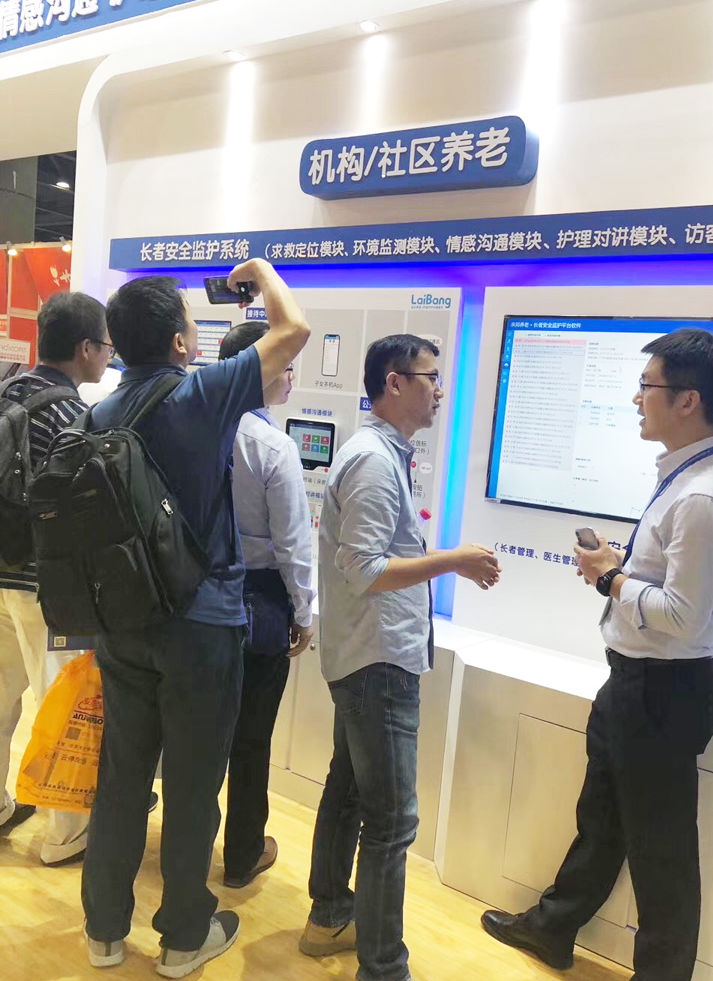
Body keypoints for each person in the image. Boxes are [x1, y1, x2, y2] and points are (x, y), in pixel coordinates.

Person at [481, 328, 713, 981]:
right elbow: (666, 586)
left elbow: (681, 619)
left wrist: (611, 578)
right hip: (636, 682)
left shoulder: (705, 497)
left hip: (664, 689)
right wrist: (622, 567)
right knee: (601, 816)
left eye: (646, 386)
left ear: (687, 400)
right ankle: (553, 927)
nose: (636, 399)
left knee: (662, 855)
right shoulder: (686, 476)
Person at [80, 260, 310, 978]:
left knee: (121, 779)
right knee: (191, 784)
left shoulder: (100, 413)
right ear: (181, 343)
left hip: (123, 622)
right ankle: (183, 937)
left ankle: (103, 932)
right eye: (189, 325)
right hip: (202, 623)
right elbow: (293, 330)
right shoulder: (202, 395)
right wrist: (261, 271)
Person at [300, 334, 502, 981]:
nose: (440, 390)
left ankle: (331, 916)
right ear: (394, 382)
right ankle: (383, 967)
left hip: (369, 653)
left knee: (350, 790)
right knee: (391, 820)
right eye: (431, 377)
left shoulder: (382, 455)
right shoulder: (372, 461)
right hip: (377, 660)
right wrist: (454, 561)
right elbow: (365, 569)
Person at [0, 291, 110, 865]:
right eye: (106, 345)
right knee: (59, 703)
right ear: (85, 348)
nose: (109, 356)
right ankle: (65, 835)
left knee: (0, 697)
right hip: (43, 585)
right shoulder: (73, 416)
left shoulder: (6, 392)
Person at [217, 322, 315, 889]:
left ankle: (190, 846)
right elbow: (293, 543)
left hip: (200, 595)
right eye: (288, 365)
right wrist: (305, 613)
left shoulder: (197, 426)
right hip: (261, 604)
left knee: (203, 733)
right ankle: (243, 854)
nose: (292, 377)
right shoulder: (273, 446)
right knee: (252, 739)